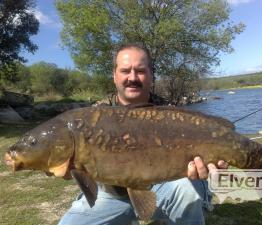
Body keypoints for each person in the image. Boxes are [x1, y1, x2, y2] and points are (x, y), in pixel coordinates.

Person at [58, 43, 228, 225]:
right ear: (114, 76)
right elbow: (76, 170)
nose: (132, 77)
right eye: (125, 70)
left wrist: (211, 164)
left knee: (187, 190)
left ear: (151, 75)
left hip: (164, 187)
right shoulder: (93, 116)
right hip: (111, 196)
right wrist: (68, 170)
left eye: (140, 70)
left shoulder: (170, 116)